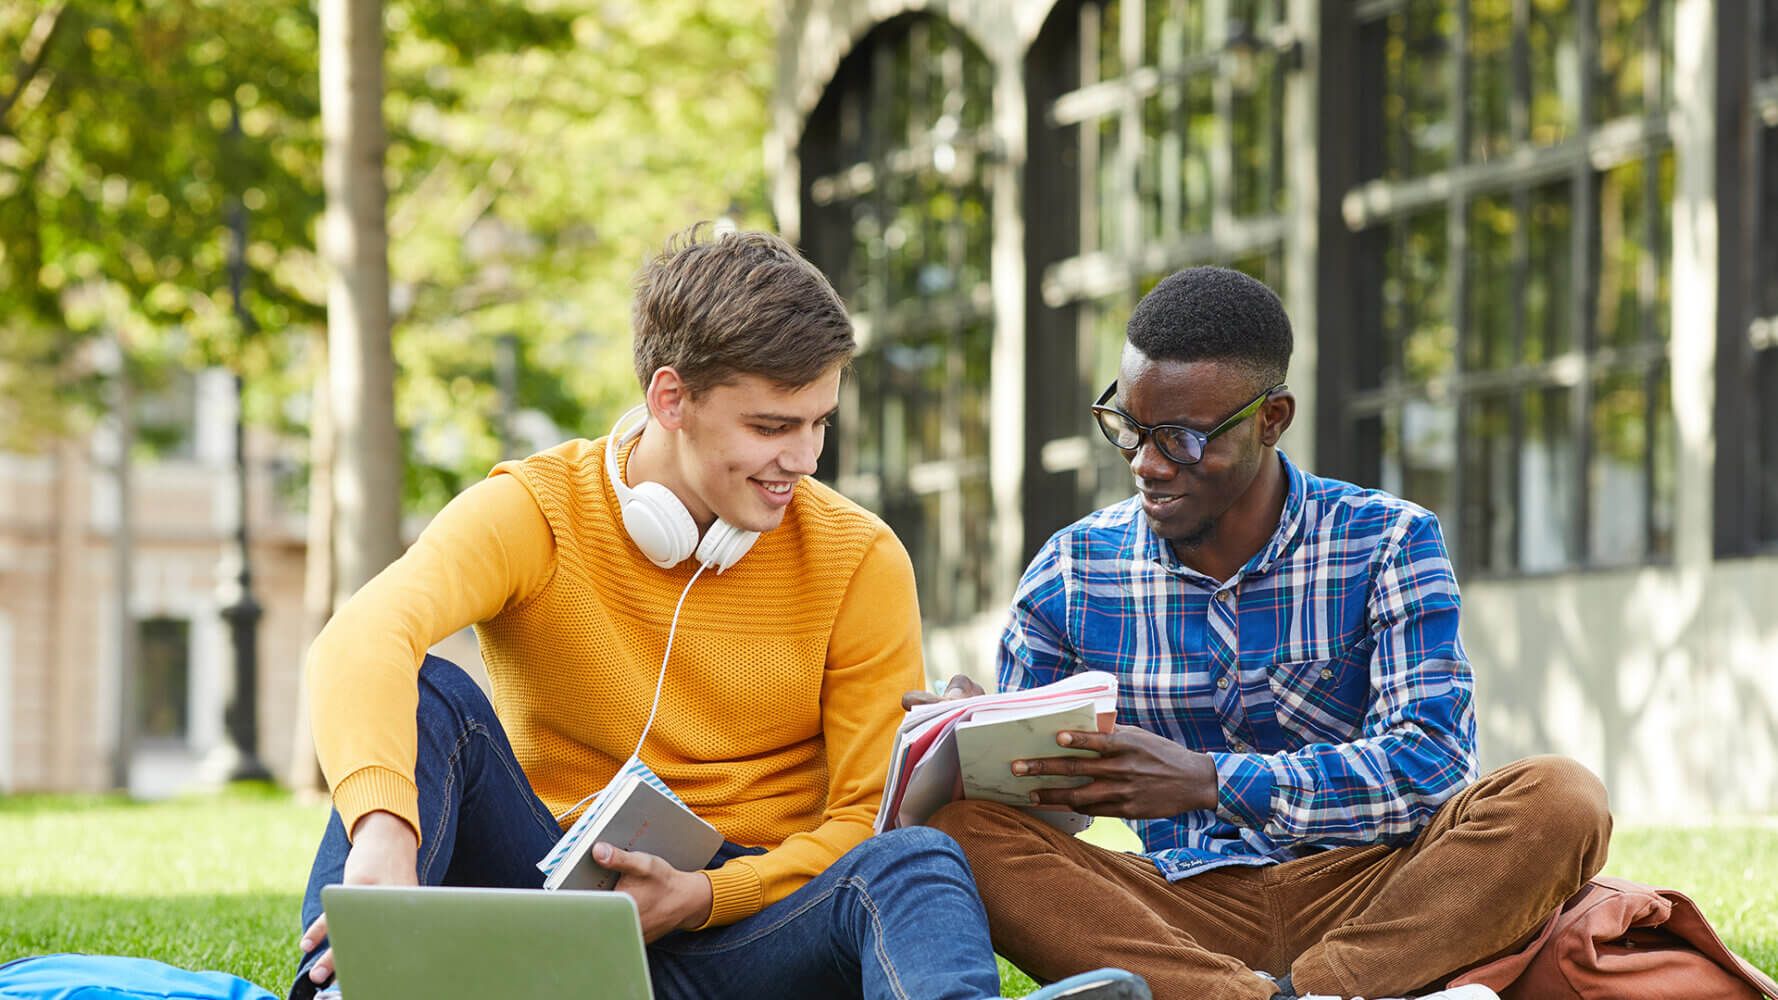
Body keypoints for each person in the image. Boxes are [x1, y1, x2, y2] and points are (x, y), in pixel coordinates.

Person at [287, 225, 1148, 1000]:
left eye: (819, 423)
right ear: (672, 399)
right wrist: (383, 838)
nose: (802, 460)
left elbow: (859, 816)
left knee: (917, 857)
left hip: (754, 926)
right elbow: (363, 635)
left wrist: (702, 895)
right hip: (555, 898)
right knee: (429, 695)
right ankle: (335, 987)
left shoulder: (860, 557)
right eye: (772, 426)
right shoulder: (540, 508)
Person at [920, 267, 1612, 1000]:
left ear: (1271, 418)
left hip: (1378, 893)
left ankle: (1295, 992)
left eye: (1182, 439)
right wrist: (982, 738)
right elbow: (1043, 828)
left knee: (1562, 798)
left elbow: (1432, 768)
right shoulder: (1070, 571)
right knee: (961, 834)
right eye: (1127, 427)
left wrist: (1209, 780)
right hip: (1176, 908)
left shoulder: (1388, 540)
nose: (1146, 465)